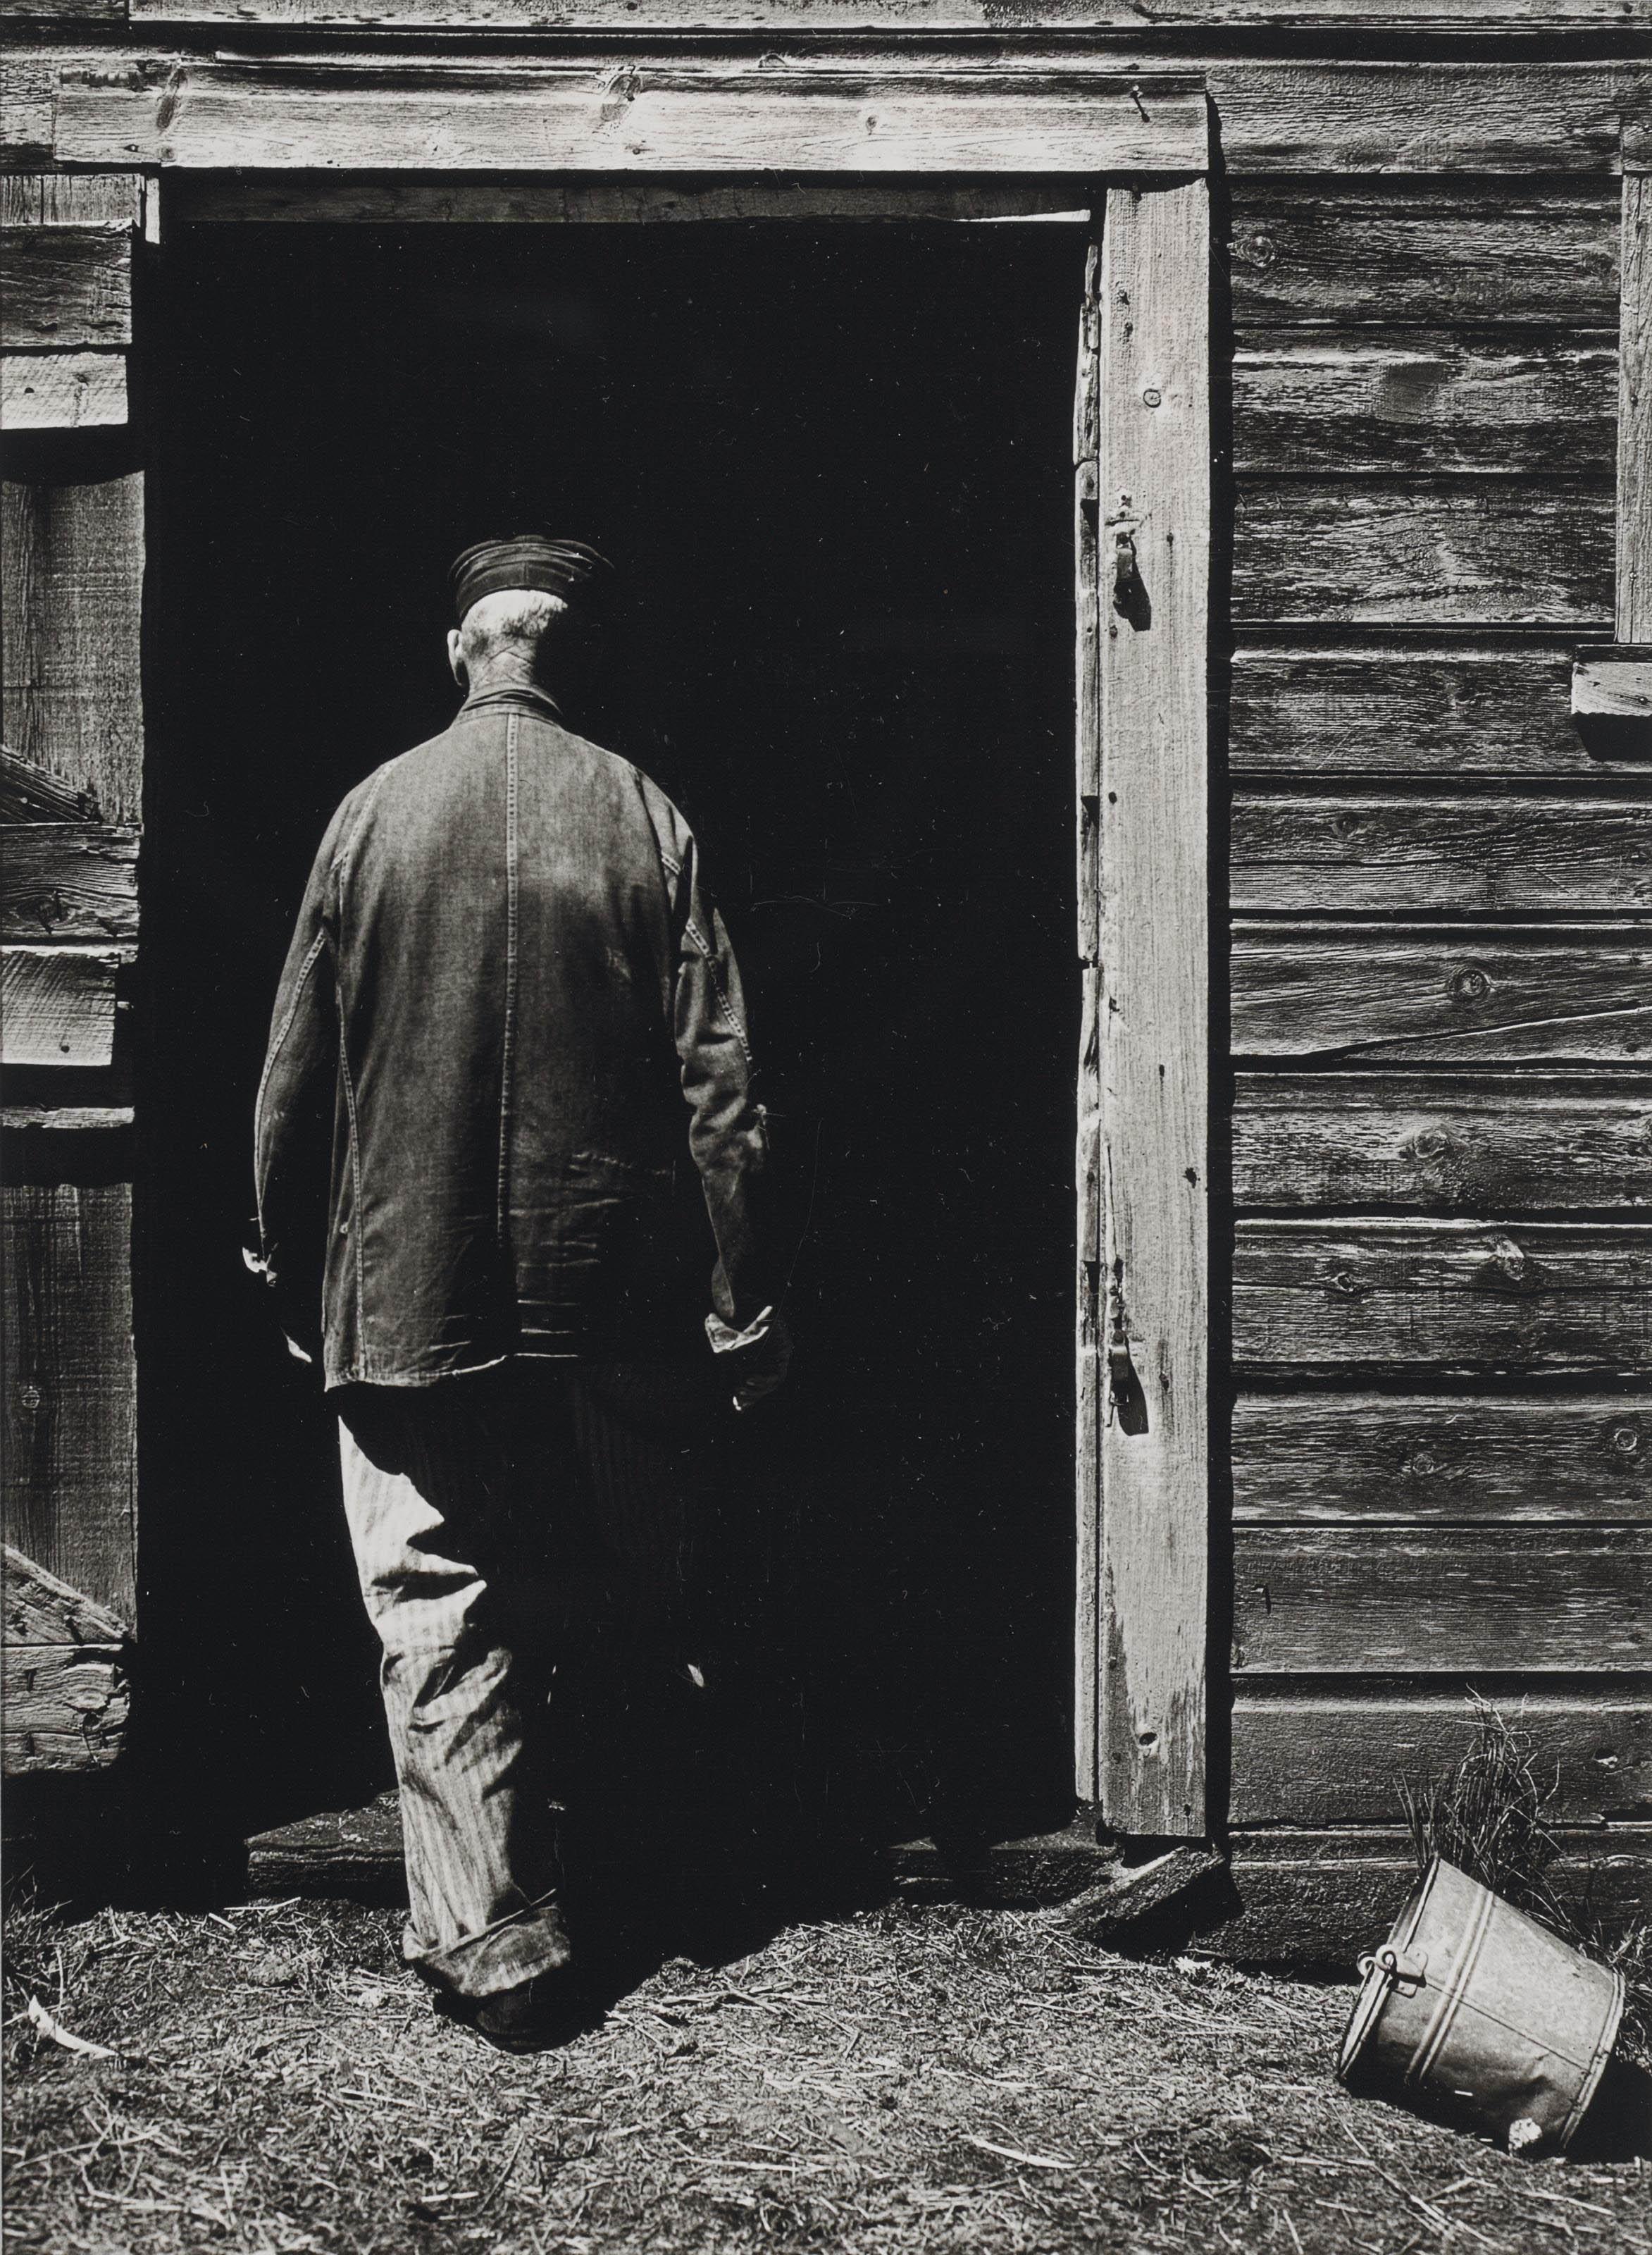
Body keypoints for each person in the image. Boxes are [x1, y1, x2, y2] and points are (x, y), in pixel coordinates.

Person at [251, 535, 789, 2050]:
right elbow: (724, 1088)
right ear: (577, 656)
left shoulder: (368, 815)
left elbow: (293, 1074)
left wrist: (287, 1257)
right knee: (616, 1579)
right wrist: (742, 1295)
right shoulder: (645, 812)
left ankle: (491, 1933)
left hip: (405, 1284)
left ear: (460, 653)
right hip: (606, 1294)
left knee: (436, 1590)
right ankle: (634, 1876)